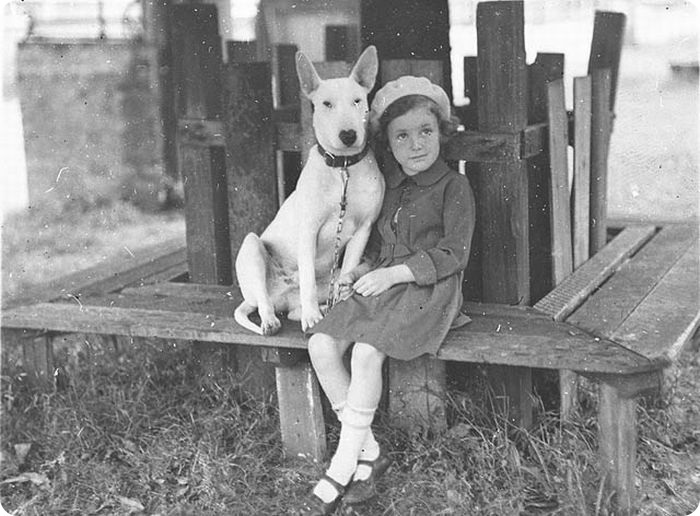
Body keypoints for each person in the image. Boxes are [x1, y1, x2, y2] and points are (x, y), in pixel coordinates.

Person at [298, 76, 476, 515]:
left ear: (442, 133)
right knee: (321, 343)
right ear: (388, 145)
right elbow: (380, 247)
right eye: (402, 136)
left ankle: (342, 466)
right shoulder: (390, 187)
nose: (416, 145)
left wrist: (394, 274)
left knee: (364, 353)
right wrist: (359, 271)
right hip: (383, 282)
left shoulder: (454, 187)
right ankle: (370, 451)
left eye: (426, 131)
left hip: (428, 289)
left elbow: (453, 254)